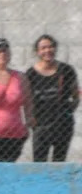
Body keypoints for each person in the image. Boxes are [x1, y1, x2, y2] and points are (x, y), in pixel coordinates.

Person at [25, 34, 78, 162]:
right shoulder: (30, 74)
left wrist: (68, 112)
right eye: (43, 48)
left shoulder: (67, 70)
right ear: (37, 52)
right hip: (41, 125)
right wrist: (30, 118)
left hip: (63, 125)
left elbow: (76, 95)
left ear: (55, 49)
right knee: (39, 163)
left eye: (50, 47)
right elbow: (26, 100)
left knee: (59, 162)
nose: (47, 50)